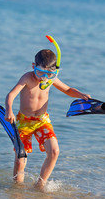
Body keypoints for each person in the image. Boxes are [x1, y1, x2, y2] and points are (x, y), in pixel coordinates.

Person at [5, 49, 90, 191]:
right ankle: (17, 191)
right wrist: (9, 110)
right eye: (40, 73)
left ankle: (40, 184)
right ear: (34, 66)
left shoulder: (51, 79)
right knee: (20, 159)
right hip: (24, 122)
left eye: (49, 74)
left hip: (42, 121)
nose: (44, 78)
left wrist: (80, 94)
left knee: (55, 151)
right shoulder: (27, 78)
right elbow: (11, 95)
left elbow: (68, 90)